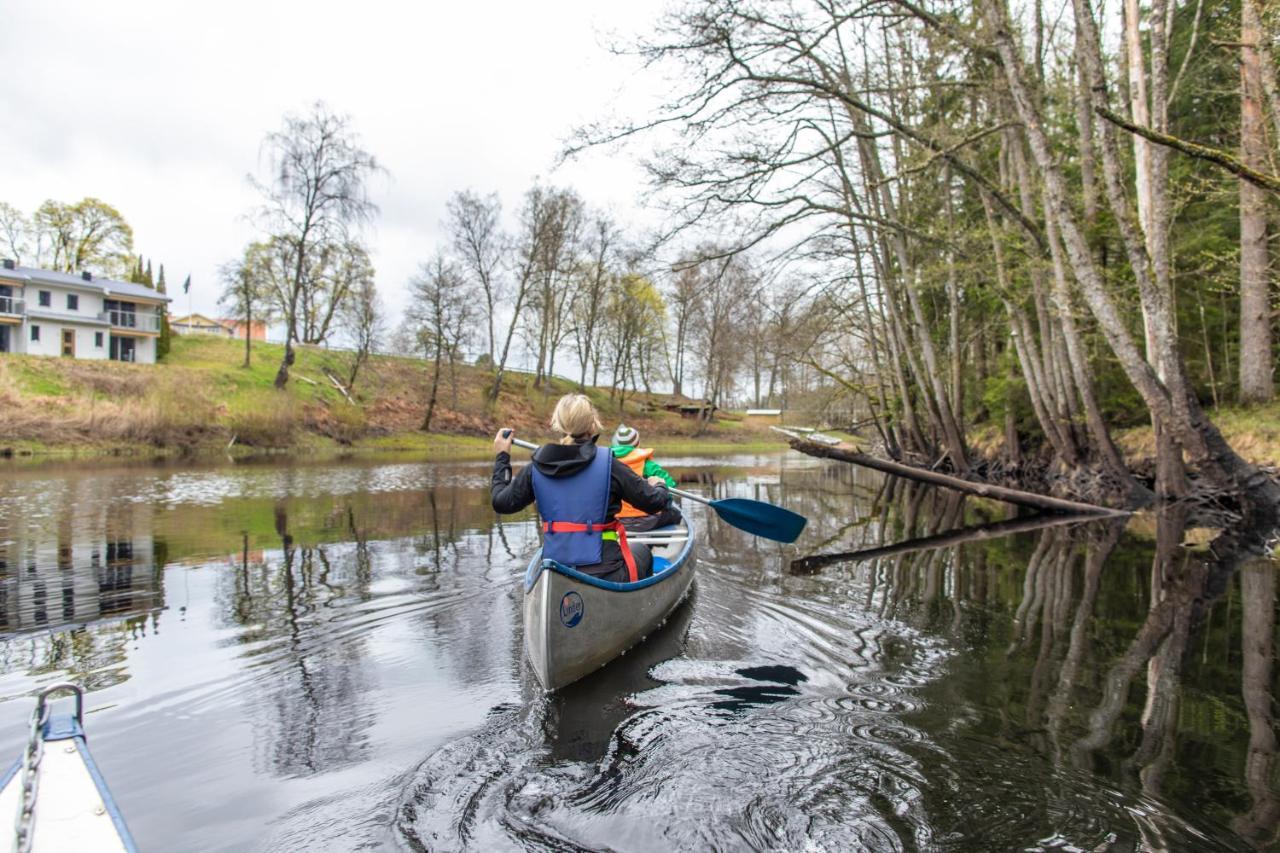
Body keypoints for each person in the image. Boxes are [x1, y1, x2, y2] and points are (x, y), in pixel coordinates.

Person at [491, 394, 674, 584]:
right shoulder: (610, 466)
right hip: (606, 572)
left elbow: (500, 502)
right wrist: (658, 484)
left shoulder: (535, 469)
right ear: (593, 425)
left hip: (557, 570)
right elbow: (655, 503)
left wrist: (502, 457)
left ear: (557, 424)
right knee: (643, 552)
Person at [610, 424, 684, 533]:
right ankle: (657, 545)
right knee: (675, 513)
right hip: (649, 521)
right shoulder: (648, 465)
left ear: (614, 444)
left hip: (616, 520)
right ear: (638, 444)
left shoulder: (606, 463)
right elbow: (670, 485)